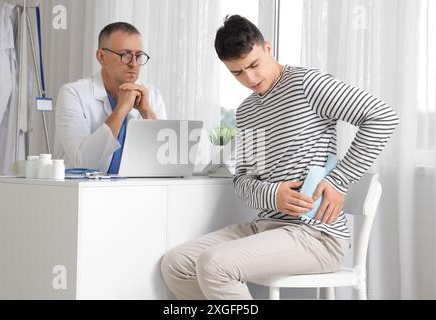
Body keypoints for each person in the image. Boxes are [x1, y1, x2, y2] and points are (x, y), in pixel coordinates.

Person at [160, 15, 399, 300]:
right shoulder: (247, 111)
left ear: (268, 48)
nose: (249, 78)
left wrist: (339, 181)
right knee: (176, 263)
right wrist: (274, 195)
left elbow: (382, 117)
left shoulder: (308, 85)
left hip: (317, 236)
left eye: (253, 65)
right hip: (266, 228)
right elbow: (243, 181)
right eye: (237, 73)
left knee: (214, 265)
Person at [54, 22, 166, 173]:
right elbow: (83, 162)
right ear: (101, 57)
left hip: (134, 190)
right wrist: (120, 110)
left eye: (138, 56)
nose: (133, 64)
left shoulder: (151, 95)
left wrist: (147, 113)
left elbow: (165, 162)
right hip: (83, 191)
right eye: (125, 55)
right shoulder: (73, 94)